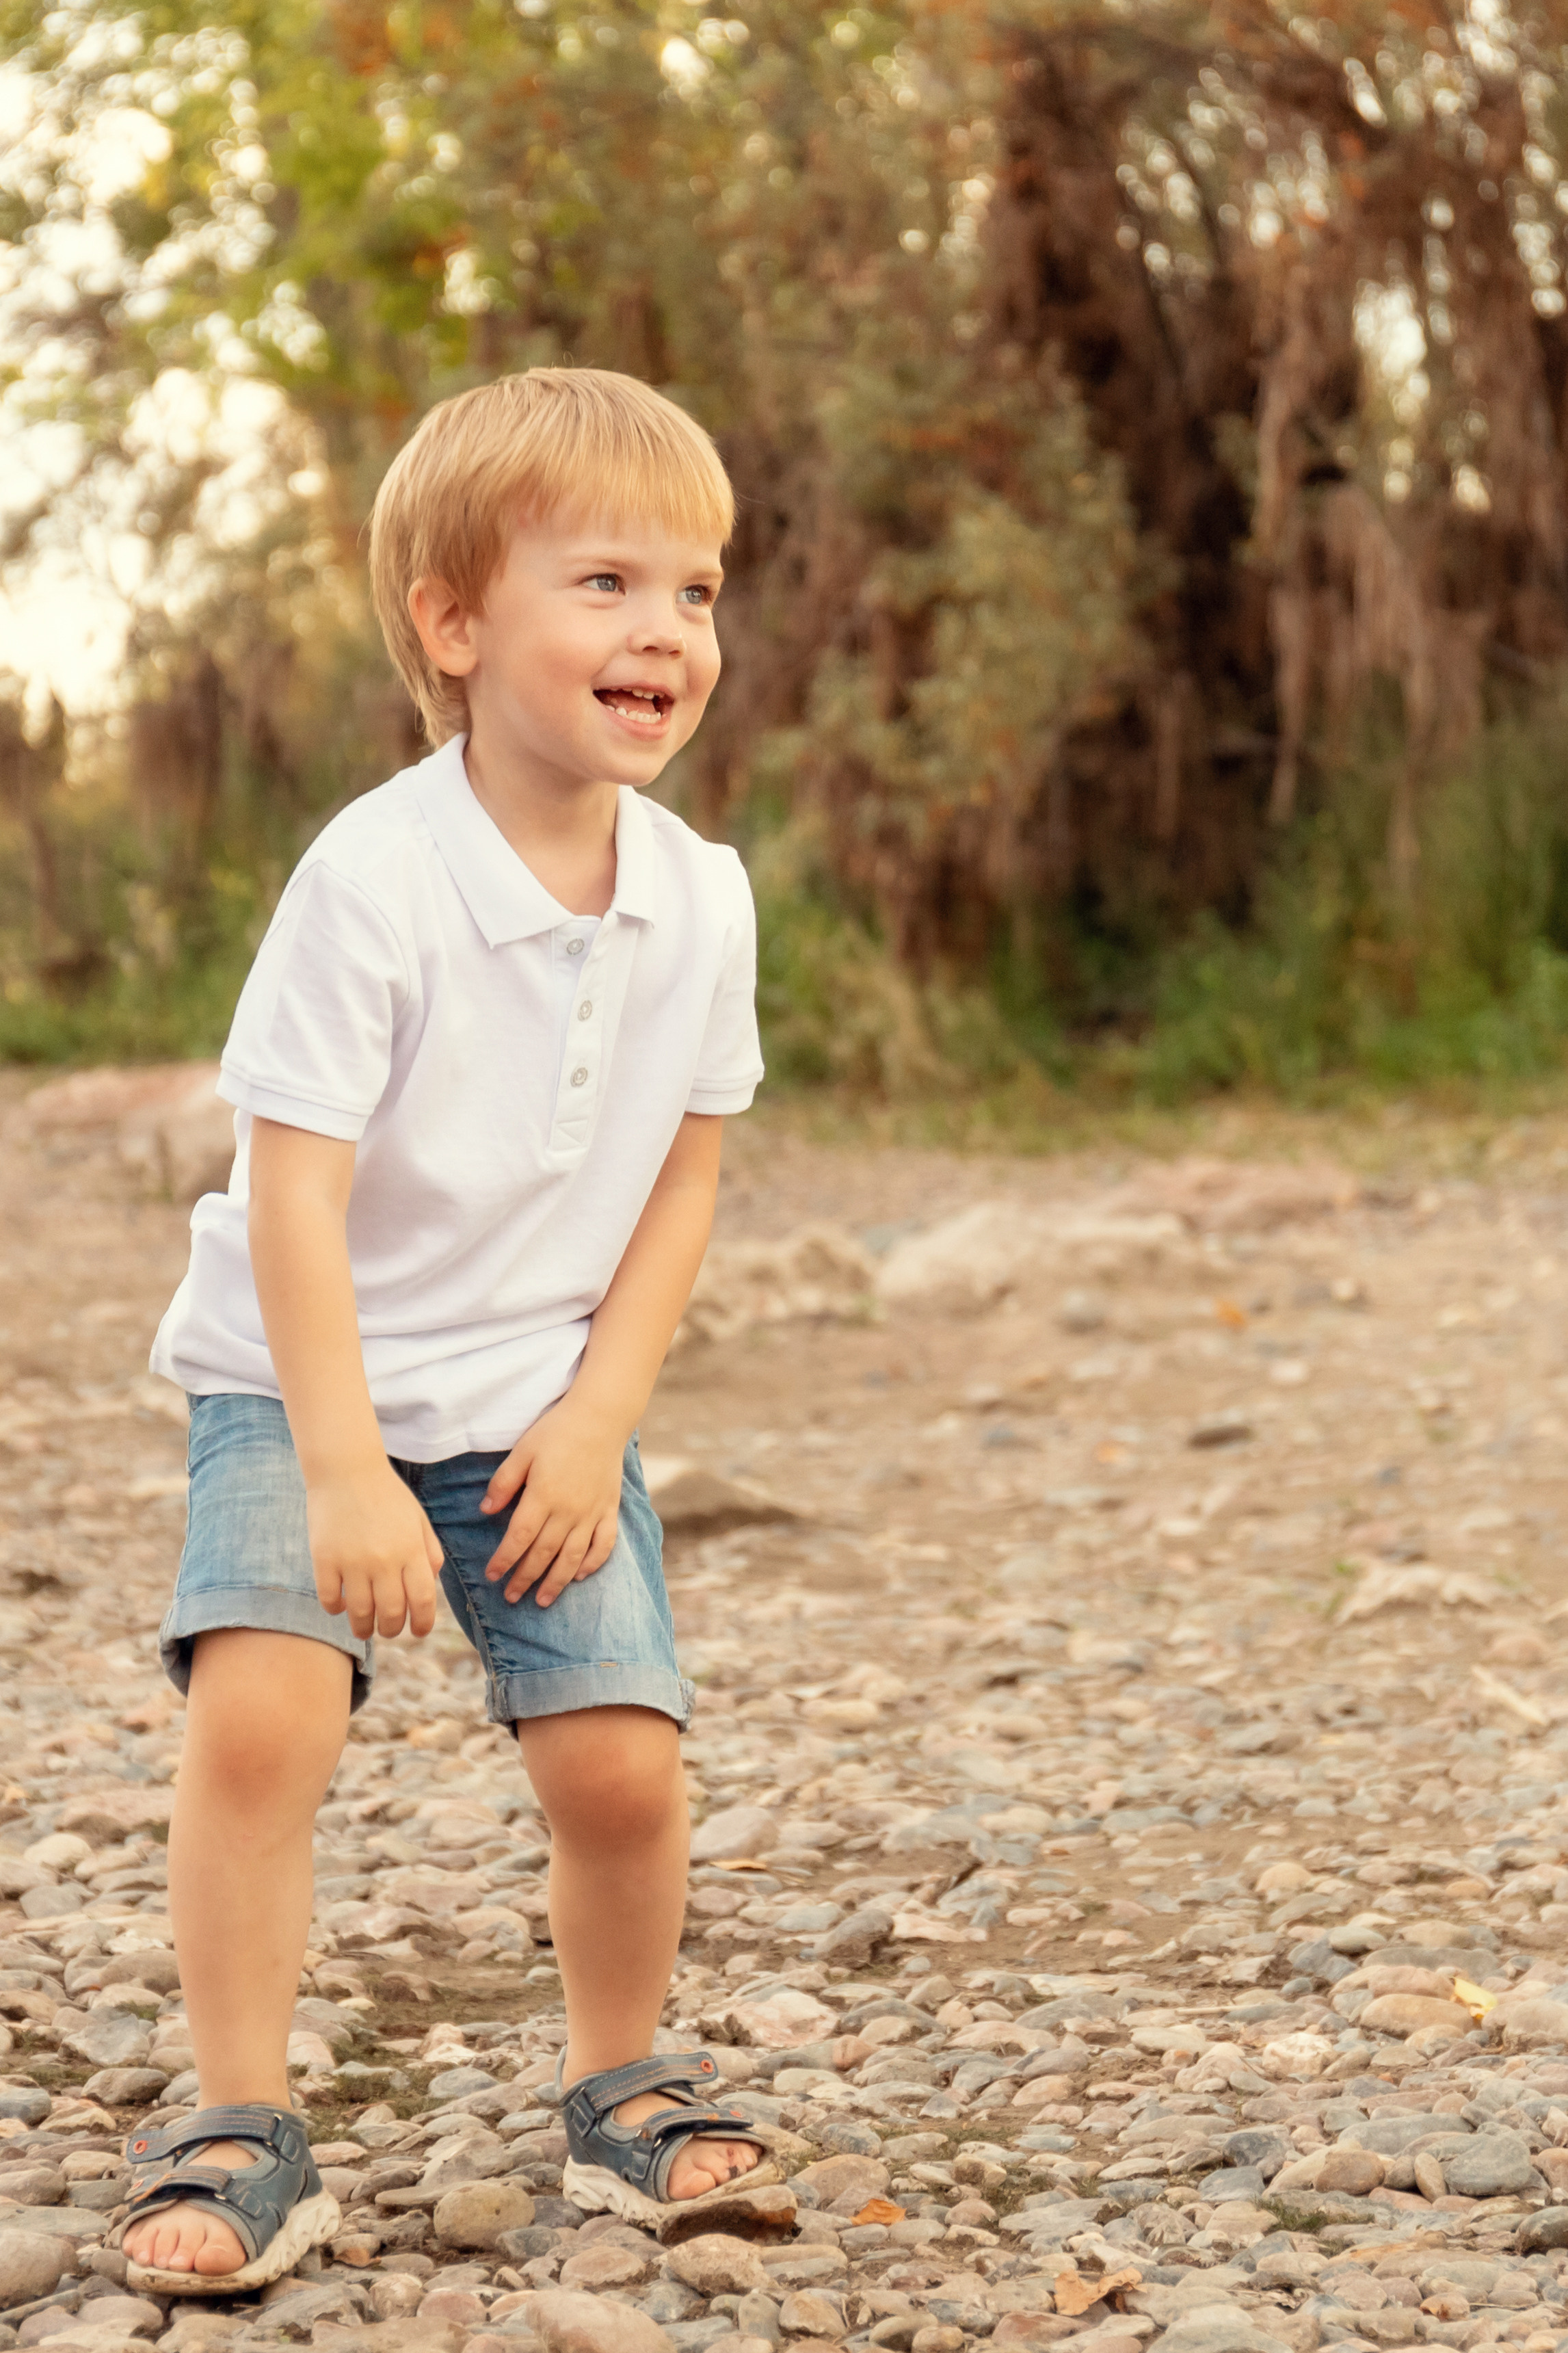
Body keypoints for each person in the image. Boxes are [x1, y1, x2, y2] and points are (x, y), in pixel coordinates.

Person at [116, 369, 769, 2293]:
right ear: (457, 625)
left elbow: (684, 1183)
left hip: (535, 1395)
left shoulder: (705, 900)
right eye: (607, 583)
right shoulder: (373, 880)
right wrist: (341, 1468)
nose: (664, 629)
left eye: (701, 592)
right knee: (264, 1714)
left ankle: (623, 2085)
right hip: (298, 1380)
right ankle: (242, 2120)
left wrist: (595, 1423)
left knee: (622, 1764)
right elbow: (293, 1193)